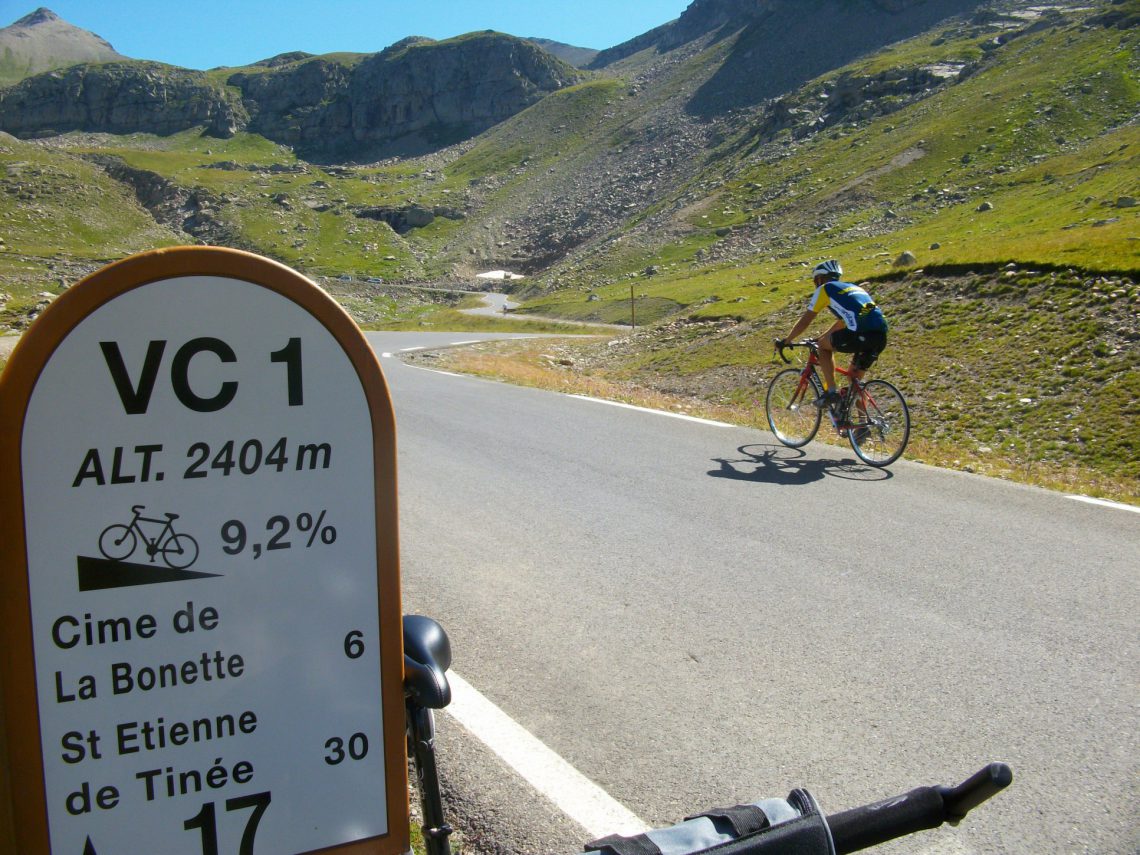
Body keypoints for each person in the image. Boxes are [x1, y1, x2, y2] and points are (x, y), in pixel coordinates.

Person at [774, 260, 888, 410]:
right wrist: (823, 336)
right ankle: (862, 427)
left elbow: (806, 320)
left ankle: (831, 392)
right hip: (881, 336)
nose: (816, 284)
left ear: (820, 278)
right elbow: (842, 322)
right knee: (854, 381)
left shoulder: (824, 289)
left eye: (816, 280)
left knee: (823, 346)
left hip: (861, 334)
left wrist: (787, 340)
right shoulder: (853, 288)